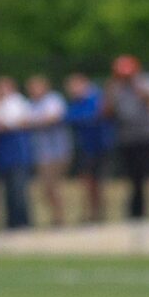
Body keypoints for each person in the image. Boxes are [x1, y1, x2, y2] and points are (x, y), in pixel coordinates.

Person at [109, 55, 149, 220]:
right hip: (127, 137)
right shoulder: (115, 87)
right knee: (132, 176)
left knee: (146, 174)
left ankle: (143, 210)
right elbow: (107, 112)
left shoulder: (148, 82)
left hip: (147, 135)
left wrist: (139, 90)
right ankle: (136, 211)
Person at [0, 75, 33, 231]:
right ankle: (10, 222)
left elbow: (7, 124)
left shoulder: (17, 102)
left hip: (16, 150)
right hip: (2, 151)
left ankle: (22, 221)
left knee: (18, 188)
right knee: (7, 189)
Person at [62, 72, 108, 222]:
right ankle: (91, 212)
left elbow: (89, 116)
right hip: (84, 147)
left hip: (97, 145)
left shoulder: (95, 98)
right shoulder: (76, 101)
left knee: (94, 181)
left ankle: (97, 212)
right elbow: (69, 117)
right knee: (86, 181)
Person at [25, 74, 69, 227]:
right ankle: (57, 216)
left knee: (52, 184)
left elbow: (53, 117)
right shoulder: (31, 104)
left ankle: (59, 217)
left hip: (57, 150)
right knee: (47, 187)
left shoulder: (53, 99)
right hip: (42, 152)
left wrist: (34, 122)